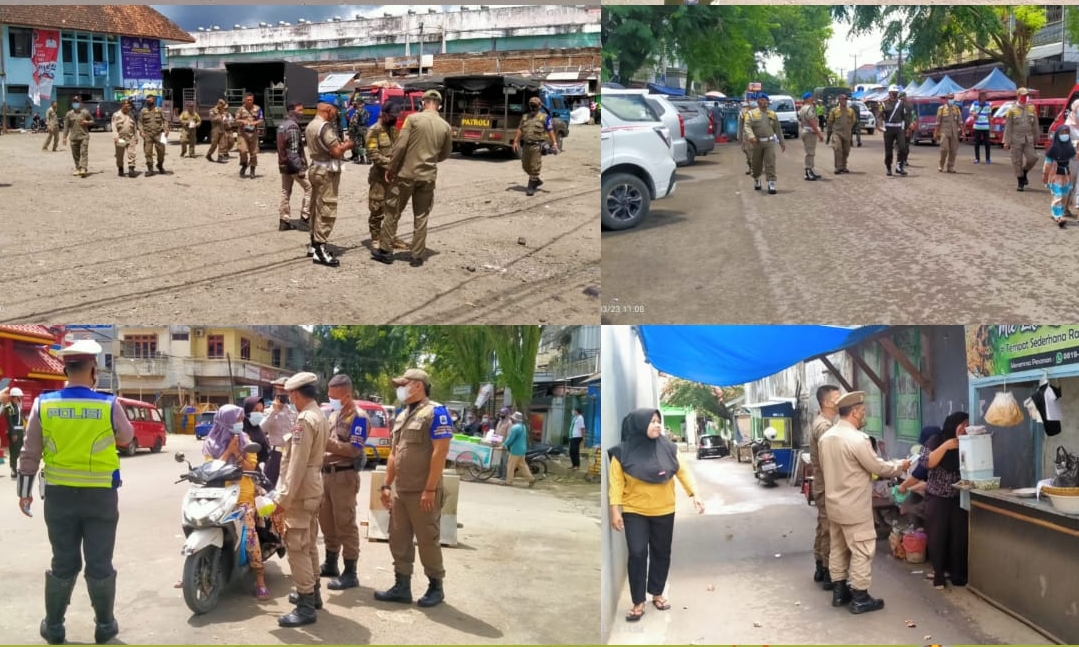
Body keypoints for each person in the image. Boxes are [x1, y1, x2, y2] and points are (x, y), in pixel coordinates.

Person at [17, 339, 133, 645]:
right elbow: (127, 436)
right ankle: (105, 626)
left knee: (63, 562)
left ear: (65, 370)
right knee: (99, 562)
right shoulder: (108, 404)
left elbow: (29, 452)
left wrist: (25, 491)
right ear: (93, 370)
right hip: (101, 498)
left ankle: (54, 627)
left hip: (59, 498)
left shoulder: (44, 404)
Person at [818, 391, 910, 614]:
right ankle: (860, 597)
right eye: (863, 411)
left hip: (834, 505)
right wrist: (901, 465)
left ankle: (840, 592)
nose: (865, 415)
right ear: (855, 412)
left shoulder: (826, 438)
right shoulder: (857, 439)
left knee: (838, 547)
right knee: (862, 549)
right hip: (854, 507)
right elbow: (877, 467)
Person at [609, 409, 703, 622]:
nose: (657, 425)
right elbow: (616, 483)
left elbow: (683, 471)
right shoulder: (622, 453)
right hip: (634, 511)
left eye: (658, 421)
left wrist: (695, 494)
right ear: (639, 425)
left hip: (664, 509)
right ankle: (638, 601)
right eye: (652, 422)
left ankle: (657, 593)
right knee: (637, 553)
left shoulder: (669, 448)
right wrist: (615, 510)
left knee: (661, 552)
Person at [373, 368, 454, 608]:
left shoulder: (436, 412)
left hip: (423, 491)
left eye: (404, 384)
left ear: (418, 385)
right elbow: (394, 453)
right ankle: (402, 586)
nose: (400, 389)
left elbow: (441, 451)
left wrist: (430, 489)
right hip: (401, 490)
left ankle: (435, 587)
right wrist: (386, 485)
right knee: (398, 539)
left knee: (428, 539)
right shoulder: (401, 415)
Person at [272, 372, 329, 627]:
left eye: (289, 395)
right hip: (312, 487)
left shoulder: (305, 420)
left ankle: (306, 606)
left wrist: (282, 499)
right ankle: (313, 594)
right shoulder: (319, 414)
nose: (289, 400)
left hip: (301, 490)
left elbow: (296, 464)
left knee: (297, 547)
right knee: (308, 543)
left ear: (295, 394)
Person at [375, 90, 453, 267]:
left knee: (393, 211)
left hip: (406, 174)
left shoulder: (413, 119)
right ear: (439, 105)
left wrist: (391, 168)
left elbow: (400, 146)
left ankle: (385, 251)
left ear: (423, 103)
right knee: (421, 216)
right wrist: (430, 160)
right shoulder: (445, 126)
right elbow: (445, 154)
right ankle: (417, 256)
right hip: (427, 177)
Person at [317, 374, 368, 592]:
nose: (331, 400)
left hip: (344, 477)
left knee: (345, 523)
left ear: (347, 395)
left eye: (334, 396)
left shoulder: (359, 418)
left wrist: (326, 443)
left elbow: (354, 449)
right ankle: (331, 563)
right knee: (327, 521)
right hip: (326, 475)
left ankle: (350, 572)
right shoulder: (333, 415)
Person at [923, 412, 969, 590]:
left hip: (958, 497)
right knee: (937, 536)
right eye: (961, 424)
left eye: (967, 425)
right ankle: (939, 574)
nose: (964, 428)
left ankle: (957, 574)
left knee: (959, 537)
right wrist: (945, 446)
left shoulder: (967, 443)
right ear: (952, 424)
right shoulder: (936, 440)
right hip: (937, 498)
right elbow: (927, 463)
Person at [305, 102, 355, 268]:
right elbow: (335, 151)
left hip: (315, 168)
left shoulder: (311, 125)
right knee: (327, 208)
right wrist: (347, 145)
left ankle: (313, 244)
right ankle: (320, 250)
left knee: (316, 207)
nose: (336, 114)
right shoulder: (324, 127)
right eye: (335, 111)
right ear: (328, 109)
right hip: (326, 171)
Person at [809, 384, 841, 590]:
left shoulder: (822, 422)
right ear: (827, 403)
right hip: (828, 483)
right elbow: (830, 459)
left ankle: (820, 567)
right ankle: (829, 572)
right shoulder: (824, 427)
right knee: (830, 529)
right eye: (837, 398)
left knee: (823, 526)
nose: (841, 400)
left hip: (823, 483)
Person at [366, 101, 409, 253]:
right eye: (392, 116)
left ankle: (389, 236)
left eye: (396, 116)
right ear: (383, 114)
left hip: (393, 176)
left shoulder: (394, 130)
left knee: (393, 208)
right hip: (379, 176)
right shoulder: (374, 130)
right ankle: (376, 238)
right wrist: (391, 165)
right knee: (377, 208)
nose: (394, 119)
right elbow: (373, 154)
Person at [512, 96, 559, 196]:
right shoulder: (525, 117)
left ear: (539, 106)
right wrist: (515, 141)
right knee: (525, 166)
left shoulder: (544, 117)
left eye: (534, 106)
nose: (532, 108)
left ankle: (531, 186)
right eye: (531, 105)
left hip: (537, 146)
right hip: (526, 145)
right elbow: (520, 129)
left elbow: (550, 131)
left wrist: (554, 143)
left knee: (535, 166)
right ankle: (536, 180)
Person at [276, 102, 312, 232]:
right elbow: (293, 150)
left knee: (285, 191)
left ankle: (284, 221)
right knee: (310, 188)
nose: (302, 113)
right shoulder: (292, 127)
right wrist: (300, 168)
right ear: (292, 111)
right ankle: (305, 219)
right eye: (299, 110)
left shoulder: (282, 125)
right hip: (293, 166)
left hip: (284, 164)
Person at [743, 93, 786, 194]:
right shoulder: (751, 114)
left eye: (765, 100)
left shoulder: (772, 114)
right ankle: (757, 178)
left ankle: (771, 182)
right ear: (758, 101)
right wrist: (751, 136)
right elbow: (747, 126)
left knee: (770, 162)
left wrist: (782, 142)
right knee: (756, 163)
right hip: (756, 142)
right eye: (761, 100)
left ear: (768, 102)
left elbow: (778, 129)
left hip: (769, 142)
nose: (764, 102)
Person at [259, 377, 295, 488]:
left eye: (285, 391)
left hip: (290, 454)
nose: (283, 394)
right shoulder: (268, 411)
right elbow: (261, 429)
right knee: (269, 487)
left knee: (288, 486)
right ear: (276, 392)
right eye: (280, 391)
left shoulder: (293, 412)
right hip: (274, 454)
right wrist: (274, 412)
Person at [1004, 87, 1039, 191]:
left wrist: (1037, 138)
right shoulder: (1011, 110)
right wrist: (1006, 142)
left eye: (1026, 95)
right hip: (1016, 139)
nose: (1025, 97)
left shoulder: (1031, 108)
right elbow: (1008, 127)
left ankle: (1024, 171)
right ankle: (1020, 181)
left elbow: (1035, 125)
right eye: (1023, 95)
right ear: (1018, 96)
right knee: (1017, 161)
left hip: (1028, 138)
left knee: (1033, 158)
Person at [1042, 125, 1076, 228]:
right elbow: (1047, 164)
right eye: (1062, 133)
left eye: (1066, 133)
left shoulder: (1070, 148)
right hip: (1055, 176)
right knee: (1058, 195)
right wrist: (1045, 175)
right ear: (1057, 134)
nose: (1065, 135)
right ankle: (1058, 216)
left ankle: (1056, 212)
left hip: (1066, 177)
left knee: (1064, 197)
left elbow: (1073, 159)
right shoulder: (1053, 149)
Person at [880, 85, 912, 176]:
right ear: (889, 93)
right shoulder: (884, 103)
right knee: (888, 151)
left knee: (902, 148)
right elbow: (879, 115)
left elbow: (905, 117)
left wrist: (907, 128)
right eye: (893, 93)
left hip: (899, 129)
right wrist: (879, 125)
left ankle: (899, 166)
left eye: (896, 93)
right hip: (888, 130)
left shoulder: (901, 103)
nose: (894, 94)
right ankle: (888, 167)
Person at [137, 95, 168, 177]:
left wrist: (166, 129)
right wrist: (141, 131)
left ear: (154, 101)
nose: (149, 102)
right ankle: (150, 169)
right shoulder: (143, 111)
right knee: (148, 152)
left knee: (162, 151)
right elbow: (139, 122)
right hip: (147, 134)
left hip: (159, 133)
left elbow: (165, 120)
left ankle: (160, 165)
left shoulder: (159, 110)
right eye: (147, 101)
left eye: (150, 101)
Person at [62, 98, 94, 178]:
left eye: (77, 102)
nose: (75, 104)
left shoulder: (85, 112)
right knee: (75, 154)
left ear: (80, 103)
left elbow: (92, 121)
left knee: (83, 152)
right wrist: (64, 137)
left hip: (84, 136)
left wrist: (87, 122)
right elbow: (66, 127)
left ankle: (83, 168)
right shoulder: (69, 114)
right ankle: (78, 168)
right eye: (74, 102)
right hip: (74, 137)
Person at [236, 93, 264, 178]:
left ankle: (252, 169)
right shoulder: (240, 109)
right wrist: (243, 121)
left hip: (253, 133)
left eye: (251, 100)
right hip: (243, 134)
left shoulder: (258, 108)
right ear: (245, 100)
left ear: (253, 100)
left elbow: (261, 119)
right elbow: (236, 120)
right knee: (243, 151)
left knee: (253, 153)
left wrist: (255, 122)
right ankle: (244, 165)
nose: (249, 101)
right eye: (247, 100)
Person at [502, 412, 535, 487]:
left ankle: (508, 482)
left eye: (512, 419)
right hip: (522, 449)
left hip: (515, 449)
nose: (511, 420)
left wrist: (504, 444)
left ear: (515, 419)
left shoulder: (515, 428)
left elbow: (510, 438)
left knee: (510, 466)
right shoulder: (523, 426)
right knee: (522, 465)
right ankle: (531, 479)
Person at [827, 94, 856, 175]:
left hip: (847, 133)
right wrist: (832, 131)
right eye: (843, 99)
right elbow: (830, 121)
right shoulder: (834, 110)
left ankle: (844, 166)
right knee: (838, 149)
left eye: (846, 99)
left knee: (846, 151)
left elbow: (853, 121)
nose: (845, 101)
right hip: (837, 133)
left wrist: (848, 129)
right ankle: (838, 167)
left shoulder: (850, 111)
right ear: (839, 100)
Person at [798, 91, 824, 181]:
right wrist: (819, 133)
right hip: (810, 132)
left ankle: (810, 171)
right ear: (808, 99)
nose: (812, 99)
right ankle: (808, 171)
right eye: (811, 97)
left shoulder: (802, 108)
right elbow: (812, 121)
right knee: (810, 153)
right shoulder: (809, 108)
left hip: (805, 130)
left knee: (810, 152)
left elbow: (801, 121)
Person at [934, 94, 964, 173]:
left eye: (952, 98)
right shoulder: (941, 109)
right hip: (944, 132)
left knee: (953, 150)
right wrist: (936, 132)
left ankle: (950, 167)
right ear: (946, 99)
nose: (951, 100)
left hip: (954, 132)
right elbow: (938, 122)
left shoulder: (956, 109)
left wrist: (963, 132)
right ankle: (941, 165)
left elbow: (960, 121)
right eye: (950, 98)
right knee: (944, 149)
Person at [1, 386, 26, 478]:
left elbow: (21, 420)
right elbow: (10, 422)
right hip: (14, 432)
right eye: (20, 396)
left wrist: (24, 430)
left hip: (20, 431)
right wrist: (13, 434)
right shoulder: (9, 407)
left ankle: (18, 468)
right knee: (14, 451)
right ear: (15, 396)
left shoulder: (18, 406)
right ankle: (13, 469)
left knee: (21, 451)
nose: (21, 398)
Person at [111, 100, 138, 178]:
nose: (127, 108)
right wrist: (115, 136)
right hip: (120, 138)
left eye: (128, 106)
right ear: (122, 106)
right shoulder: (116, 115)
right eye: (126, 106)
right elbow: (114, 126)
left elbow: (134, 126)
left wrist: (136, 137)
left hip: (130, 137)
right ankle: (120, 168)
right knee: (119, 155)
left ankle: (131, 169)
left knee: (132, 154)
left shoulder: (131, 114)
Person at [970, 91, 993, 164]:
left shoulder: (988, 104)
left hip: (986, 126)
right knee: (977, 143)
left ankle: (988, 159)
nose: (985, 97)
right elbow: (970, 111)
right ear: (980, 96)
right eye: (983, 96)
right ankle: (977, 158)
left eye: (985, 96)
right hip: (977, 126)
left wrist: (990, 125)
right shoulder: (975, 103)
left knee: (987, 143)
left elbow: (989, 115)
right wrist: (974, 113)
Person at [736, 97, 755, 175]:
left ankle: (754, 168)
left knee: (754, 151)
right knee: (746, 151)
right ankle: (751, 167)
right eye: (749, 100)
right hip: (746, 135)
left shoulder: (758, 111)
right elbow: (740, 125)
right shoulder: (743, 112)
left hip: (755, 135)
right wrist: (739, 136)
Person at [206, 99, 229, 163]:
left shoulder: (223, 111)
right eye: (221, 104)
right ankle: (209, 154)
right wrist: (220, 117)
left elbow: (226, 119)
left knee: (222, 144)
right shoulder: (212, 110)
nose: (222, 106)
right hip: (215, 130)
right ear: (218, 103)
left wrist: (226, 119)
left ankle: (220, 157)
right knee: (214, 144)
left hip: (222, 129)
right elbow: (212, 119)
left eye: (223, 105)